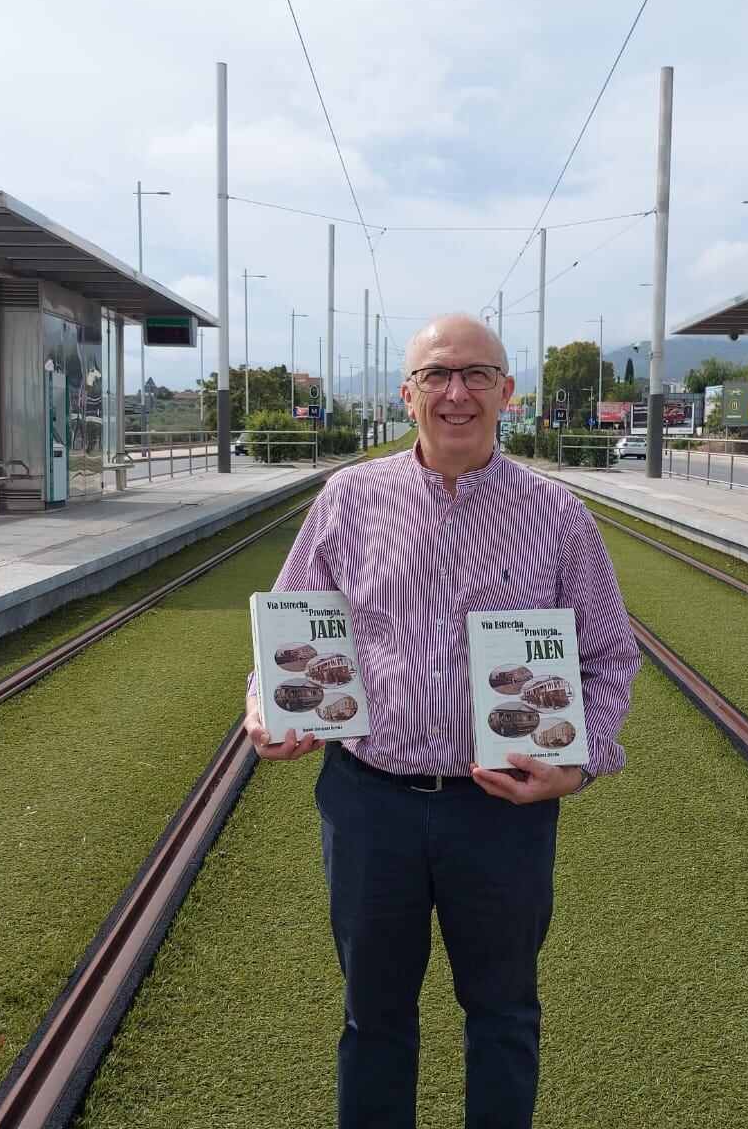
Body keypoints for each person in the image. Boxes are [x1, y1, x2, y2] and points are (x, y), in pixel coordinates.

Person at [244, 312, 639, 1128]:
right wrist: (264, 706)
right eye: (436, 375)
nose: (456, 392)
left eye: (476, 375)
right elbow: (285, 631)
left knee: (502, 1015)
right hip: (368, 802)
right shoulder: (349, 499)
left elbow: (608, 656)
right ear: (407, 392)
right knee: (373, 1016)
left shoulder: (560, 517)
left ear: (508, 393)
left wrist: (582, 759)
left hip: (499, 809)